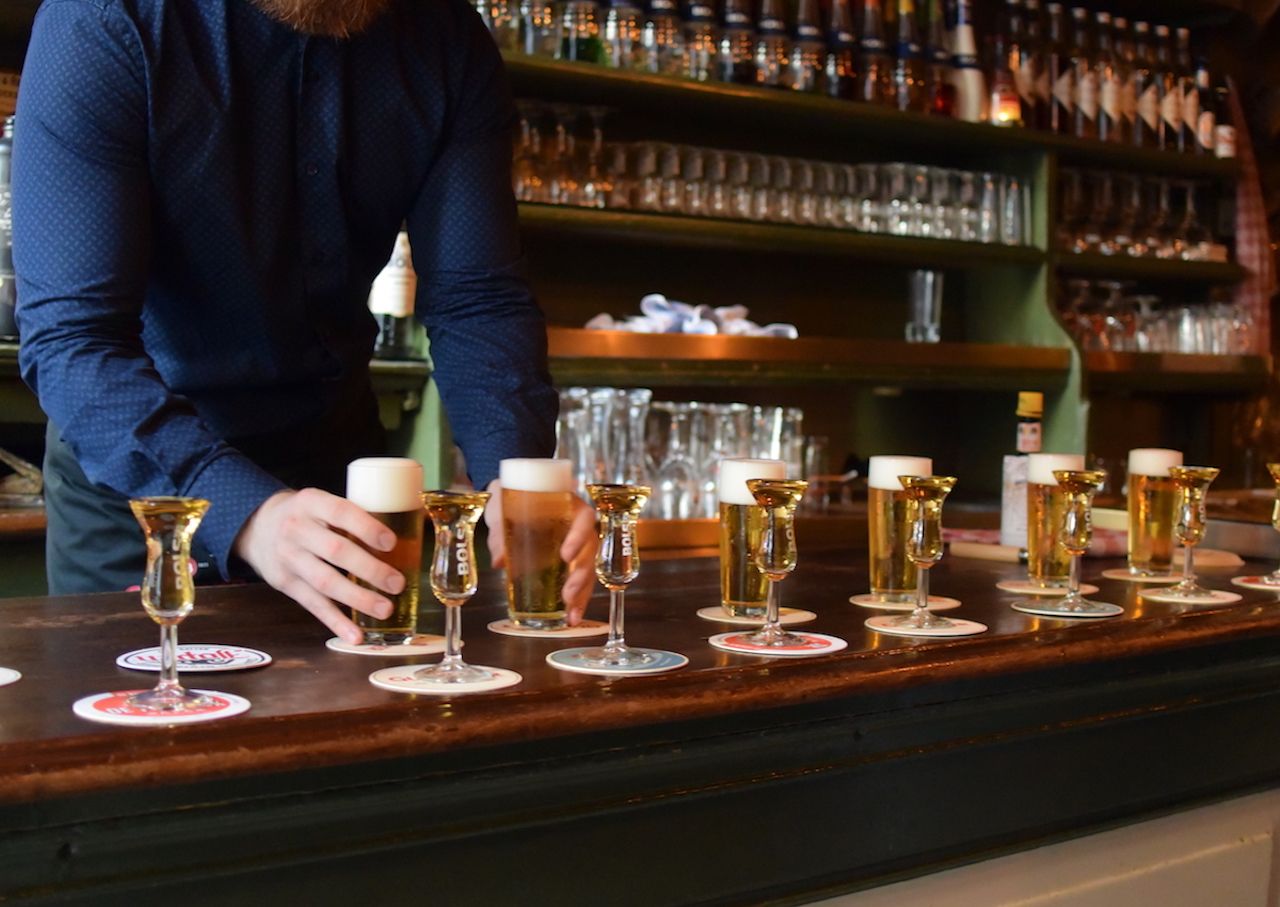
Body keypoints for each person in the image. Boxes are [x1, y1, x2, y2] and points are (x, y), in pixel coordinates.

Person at [12, 0, 596, 641]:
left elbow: (477, 297)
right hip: (146, 485)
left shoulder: (445, 39)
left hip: (340, 475)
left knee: (349, 729)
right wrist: (248, 511)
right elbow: (73, 337)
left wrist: (514, 476)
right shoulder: (105, 20)